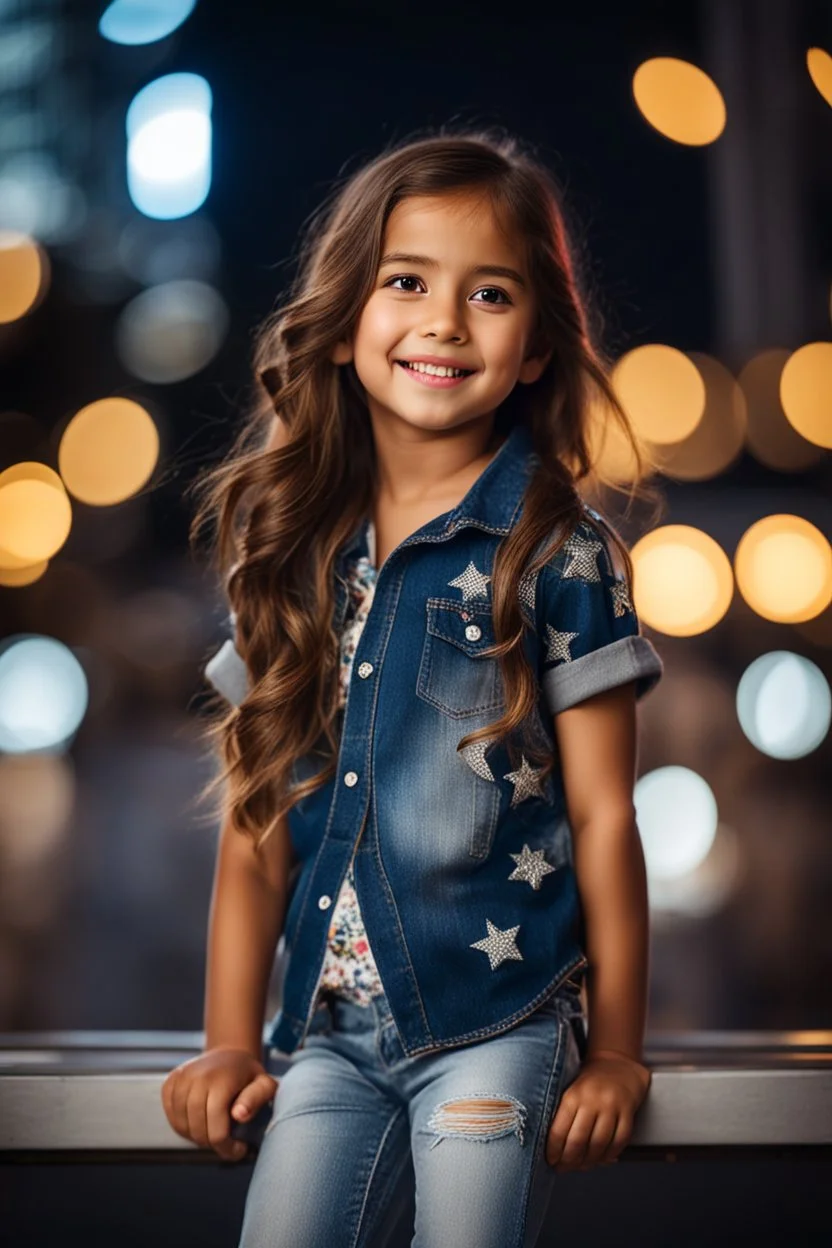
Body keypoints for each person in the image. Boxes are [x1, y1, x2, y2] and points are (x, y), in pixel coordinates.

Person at [162, 126, 664, 1248]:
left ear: (535, 347)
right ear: (346, 323)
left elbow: (601, 816)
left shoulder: (558, 553)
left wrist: (621, 1052)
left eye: (489, 294)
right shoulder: (291, 551)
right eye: (405, 282)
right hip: (329, 1038)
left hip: (499, 1025)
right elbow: (255, 826)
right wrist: (230, 1040)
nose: (442, 321)